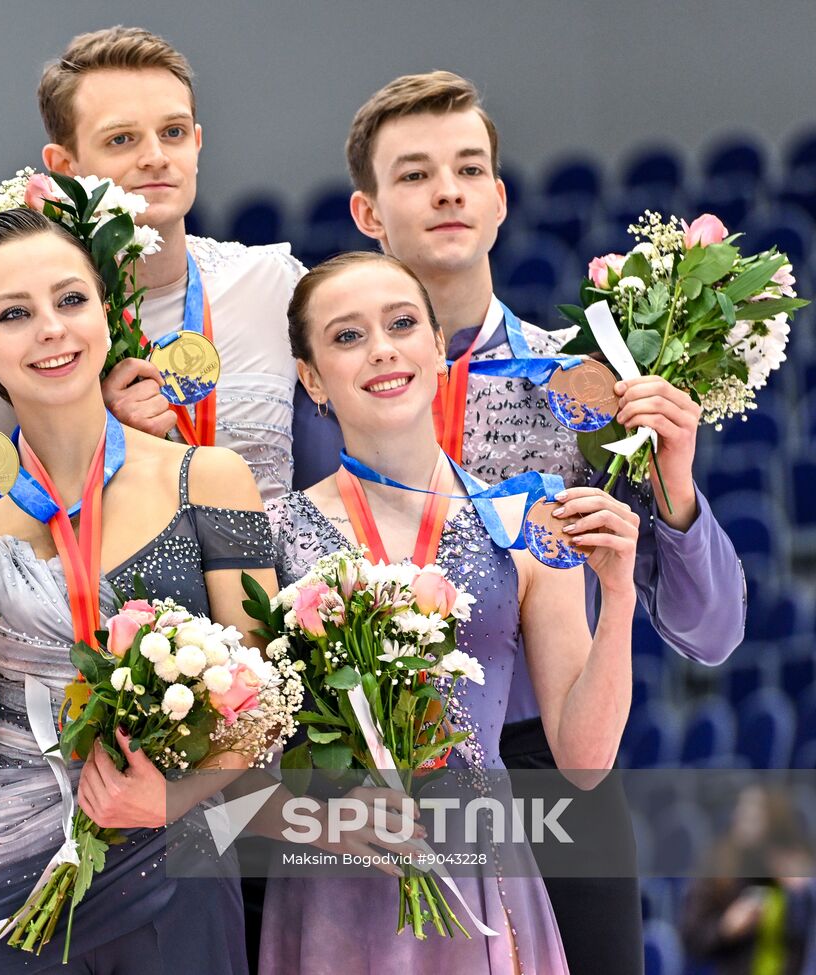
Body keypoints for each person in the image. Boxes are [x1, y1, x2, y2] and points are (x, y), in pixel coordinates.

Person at [291, 71, 746, 972]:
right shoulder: (314, 406)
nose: (448, 190)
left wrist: (677, 490)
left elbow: (713, 632)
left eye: (469, 169)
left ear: (500, 201)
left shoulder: (595, 384)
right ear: (368, 212)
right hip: (370, 775)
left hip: (550, 766)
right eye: (415, 174)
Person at [0, 208, 277, 974]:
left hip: (178, 846)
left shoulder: (212, 477)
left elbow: (265, 702)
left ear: (107, 311)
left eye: (70, 301)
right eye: (13, 315)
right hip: (17, 863)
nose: (51, 331)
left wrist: (174, 797)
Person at [262, 252, 639, 972]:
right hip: (335, 883)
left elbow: (586, 763)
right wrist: (309, 820)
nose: (381, 348)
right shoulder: (271, 535)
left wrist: (617, 598)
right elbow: (232, 778)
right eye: (346, 336)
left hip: (484, 877)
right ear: (311, 378)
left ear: (437, 346)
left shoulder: (525, 521)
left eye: (402, 323)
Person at [0, 25, 302, 501]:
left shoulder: (275, 285)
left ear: (196, 144)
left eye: (172, 133)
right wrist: (97, 434)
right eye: (121, 139)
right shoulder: (11, 344)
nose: (154, 157)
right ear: (64, 167)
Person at [682, 785, 816, 975]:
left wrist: (803, 893)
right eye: (741, 811)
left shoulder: (795, 868)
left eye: (754, 815)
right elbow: (692, 938)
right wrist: (726, 927)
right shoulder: (719, 865)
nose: (743, 820)